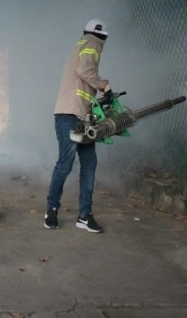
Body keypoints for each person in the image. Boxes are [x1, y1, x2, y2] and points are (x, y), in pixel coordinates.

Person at [43, 19, 111, 234]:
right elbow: (84, 71)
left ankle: (84, 216)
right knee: (66, 164)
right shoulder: (92, 44)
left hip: (81, 116)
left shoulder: (80, 44)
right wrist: (104, 86)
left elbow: (80, 82)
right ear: (102, 36)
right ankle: (51, 211)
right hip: (70, 116)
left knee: (89, 163)